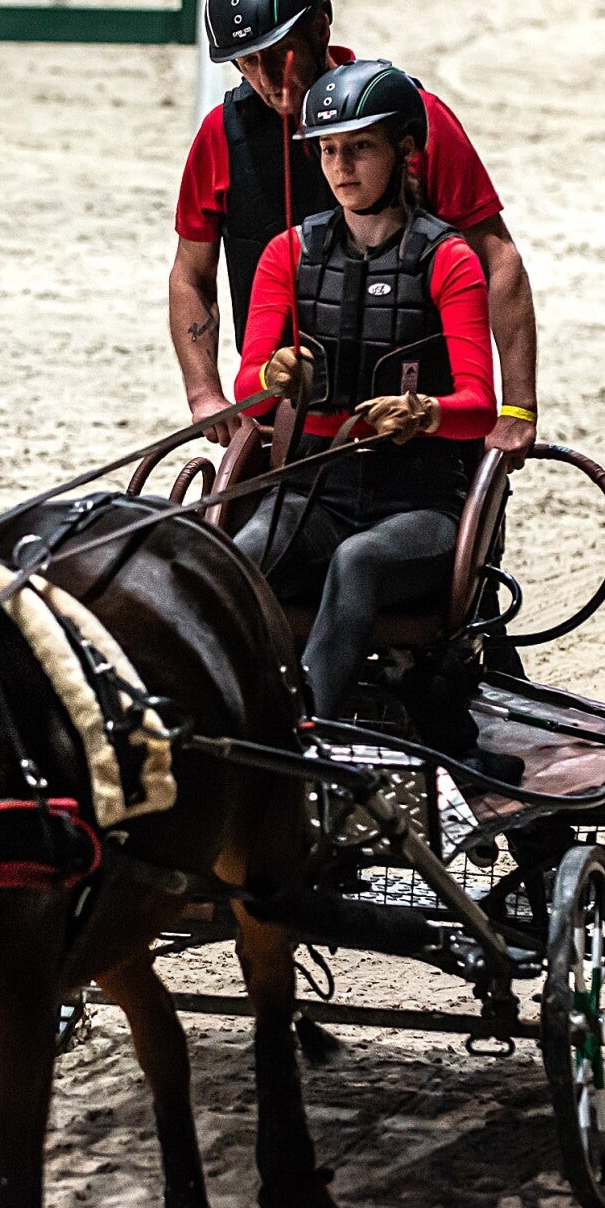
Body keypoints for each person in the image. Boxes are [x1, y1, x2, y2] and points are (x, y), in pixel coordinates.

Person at [169, 0, 538, 471]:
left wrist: (518, 407)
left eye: (280, 53)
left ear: (321, 28)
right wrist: (204, 393)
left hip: (419, 420)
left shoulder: (414, 120)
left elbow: (499, 261)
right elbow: (190, 274)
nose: (268, 79)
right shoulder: (221, 136)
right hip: (286, 415)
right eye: (248, 63)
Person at [230, 59, 497, 720]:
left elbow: (478, 407)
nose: (340, 167)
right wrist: (271, 377)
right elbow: (248, 388)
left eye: (360, 147)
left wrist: (426, 413)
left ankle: (307, 729)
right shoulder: (287, 253)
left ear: (404, 151)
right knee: (236, 556)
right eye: (327, 150)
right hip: (313, 495)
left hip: (418, 506)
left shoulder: (449, 259)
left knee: (358, 560)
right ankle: (230, 715)